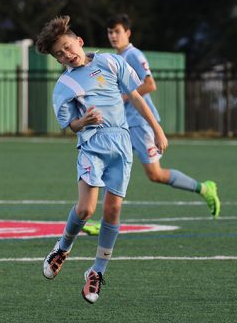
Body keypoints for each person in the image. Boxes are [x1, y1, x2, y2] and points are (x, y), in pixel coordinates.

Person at [36, 15, 168, 304]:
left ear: (79, 41)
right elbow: (70, 125)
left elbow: (135, 96)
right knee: (85, 209)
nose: (67, 55)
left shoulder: (110, 62)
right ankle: (62, 248)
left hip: (120, 145)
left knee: (113, 211)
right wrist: (83, 121)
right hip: (92, 146)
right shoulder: (65, 85)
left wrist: (157, 129)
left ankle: (96, 272)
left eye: (68, 47)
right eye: (60, 54)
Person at [94, 14, 220, 222]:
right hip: (123, 125)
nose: (113, 36)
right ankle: (106, 220)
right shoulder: (116, 57)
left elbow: (150, 84)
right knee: (111, 166)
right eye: (110, 32)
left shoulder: (134, 54)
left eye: (117, 31)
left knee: (155, 174)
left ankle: (205, 188)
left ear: (127, 33)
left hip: (140, 123)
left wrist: (122, 98)